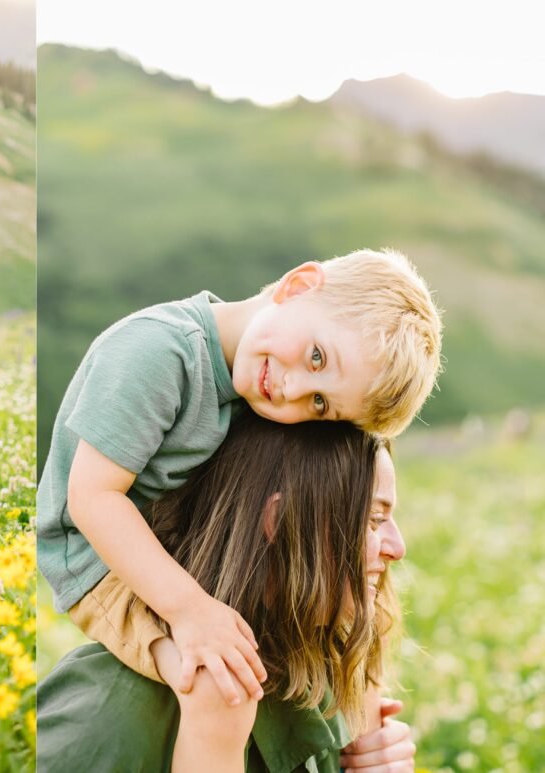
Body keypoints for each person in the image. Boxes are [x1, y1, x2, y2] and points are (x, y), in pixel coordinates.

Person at [37, 248, 440, 759]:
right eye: (317, 357)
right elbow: (92, 498)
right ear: (298, 284)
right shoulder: (158, 353)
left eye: (320, 404)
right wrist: (192, 612)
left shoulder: (252, 376)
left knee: (356, 617)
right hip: (93, 558)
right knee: (216, 686)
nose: (293, 390)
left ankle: (364, 746)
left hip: (153, 540)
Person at [37, 412, 415, 772]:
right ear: (281, 523)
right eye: (373, 520)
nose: (397, 547)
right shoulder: (109, 717)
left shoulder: (317, 679)